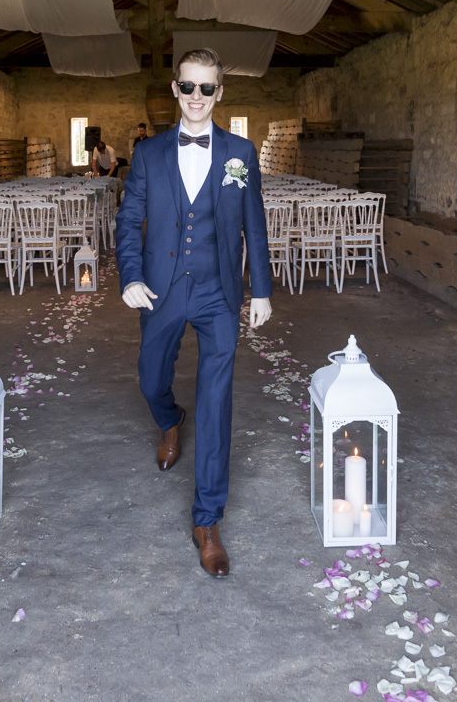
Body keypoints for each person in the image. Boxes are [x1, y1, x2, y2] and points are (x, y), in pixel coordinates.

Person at [115, 48, 272, 578]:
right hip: (161, 288)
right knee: (150, 375)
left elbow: (255, 225)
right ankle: (168, 419)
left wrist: (261, 290)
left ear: (219, 92)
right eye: (188, 87)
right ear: (175, 89)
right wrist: (131, 277)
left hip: (218, 293)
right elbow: (129, 219)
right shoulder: (149, 153)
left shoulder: (240, 153)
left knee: (216, 402)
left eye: (207, 88)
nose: (197, 97)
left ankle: (207, 521)